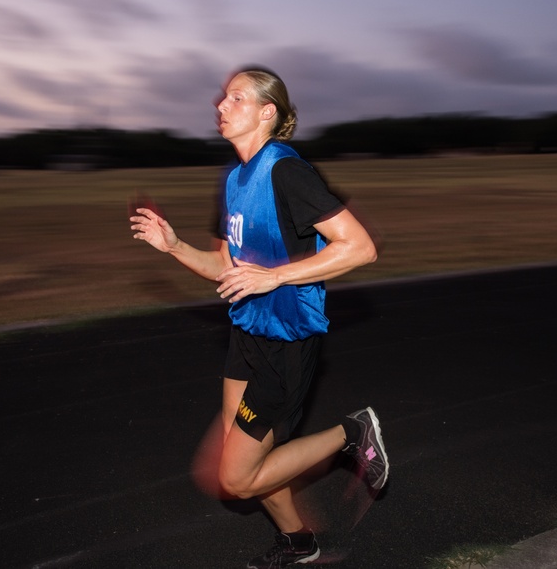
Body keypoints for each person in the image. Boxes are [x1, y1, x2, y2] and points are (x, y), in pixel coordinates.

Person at [129, 66, 389, 568]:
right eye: (222, 99)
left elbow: (360, 248)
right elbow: (225, 268)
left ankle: (352, 433)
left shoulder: (286, 171)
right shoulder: (233, 180)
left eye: (236, 99)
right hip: (245, 332)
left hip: (284, 340)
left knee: (236, 479)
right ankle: (299, 541)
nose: (221, 106)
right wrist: (174, 245)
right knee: (245, 458)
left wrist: (276, 276)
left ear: (268, 113)